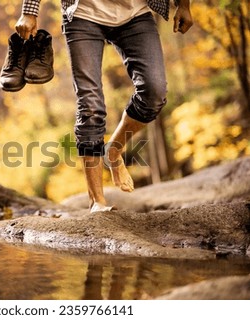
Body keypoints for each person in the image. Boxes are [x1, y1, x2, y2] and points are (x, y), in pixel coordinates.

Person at [15, 0, 193, 213]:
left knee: (154, 92)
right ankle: (97, 202)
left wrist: (184, 5)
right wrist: (29, 12)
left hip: (135, 13)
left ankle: (113, 151)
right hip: (83, 13)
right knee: (90, 106)